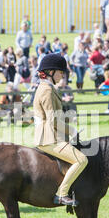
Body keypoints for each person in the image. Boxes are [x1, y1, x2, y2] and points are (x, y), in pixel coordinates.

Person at [33, 53, 88, 206]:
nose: (62, 75)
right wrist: (72, 131)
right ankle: (62, 194)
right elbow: (53, 120)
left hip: (53, 135)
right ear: (50, 72)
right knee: (81, 160)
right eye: (60, 72)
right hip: (48, 138)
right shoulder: (47, 90)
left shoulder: (48, 88)